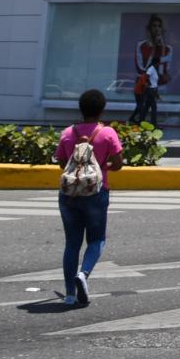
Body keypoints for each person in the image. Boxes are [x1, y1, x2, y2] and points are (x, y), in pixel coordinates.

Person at [53, 88, 124, 308]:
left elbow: (61, 162)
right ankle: (84, 274)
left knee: (72, 243)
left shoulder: (67, 133)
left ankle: (69, 295)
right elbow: (119, 163)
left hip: (69, 195)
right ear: (102, 110)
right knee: (96, 239)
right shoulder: (107, 133)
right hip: (95, 193)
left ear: (80, 109)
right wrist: (103, 167)